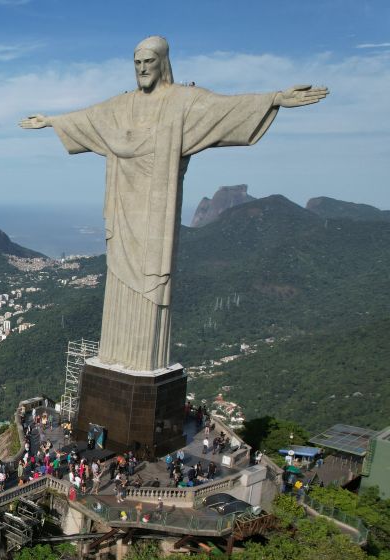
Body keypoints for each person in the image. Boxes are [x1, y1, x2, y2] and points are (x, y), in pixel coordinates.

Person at [20, 35, 327, 372]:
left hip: (155, 217)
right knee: (119, 282)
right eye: (136, 63)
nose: (141, 69)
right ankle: (115, 356)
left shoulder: (184, 101)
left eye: (147, 62)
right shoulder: (121, 106)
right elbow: (90, 118)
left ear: (162, 62)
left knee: (152, 286)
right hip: (123, 212)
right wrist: (52, 121)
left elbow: (225, 108)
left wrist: (275, 99)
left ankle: (143, 361)